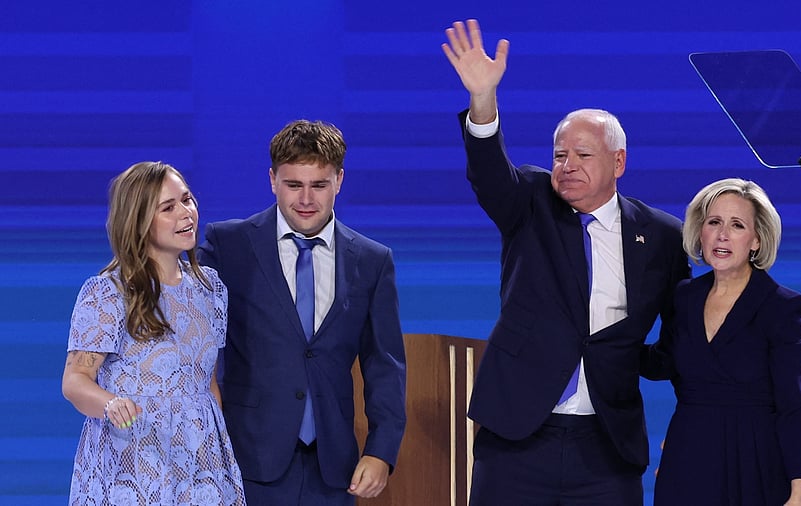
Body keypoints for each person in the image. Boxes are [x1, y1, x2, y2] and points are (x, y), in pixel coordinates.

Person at [442, 19, 691, 505]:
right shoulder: (530, 201)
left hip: (607, 444)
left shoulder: (662, 235)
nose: (566, 165)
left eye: (582, 154)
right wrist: (483, 101)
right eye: (559, 154)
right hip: (518, 436)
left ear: (619, 163)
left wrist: (630, 360)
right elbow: (491, 175)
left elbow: (677, 339)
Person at [197, 119, 406, 505]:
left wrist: (380, 450)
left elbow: (384, 363)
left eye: (319, 185)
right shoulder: (229, 245)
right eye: (293, 185)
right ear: (272, 179)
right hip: (248, 461)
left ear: (339, 180)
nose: (306, 199)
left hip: (333, 468)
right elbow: (179, 311)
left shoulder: (373, 261)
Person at [62, 161, 245, 505]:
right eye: (168, 207)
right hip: (132, 459)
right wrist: (110, 403)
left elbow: (207, 385)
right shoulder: (108, 292)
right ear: (140, 221)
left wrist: (218, 457)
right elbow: (75, 380)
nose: (186, 213)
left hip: (199, 466)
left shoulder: (210, 289)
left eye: (187, 200)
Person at [642, 178, 801, 505]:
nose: (722, 234)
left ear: (757, 240)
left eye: (736, 225)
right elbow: (663, 362)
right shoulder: (684, 297)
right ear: (700, 231)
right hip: (688, 456)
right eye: (714, 222)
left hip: (754, 458)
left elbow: (793, 401)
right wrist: (605, 343)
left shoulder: (781, 307)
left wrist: (798, 486)